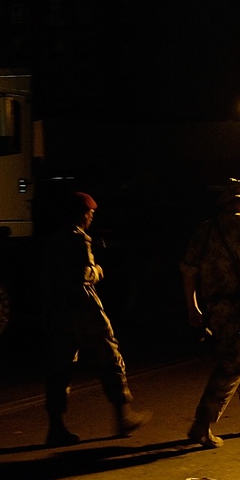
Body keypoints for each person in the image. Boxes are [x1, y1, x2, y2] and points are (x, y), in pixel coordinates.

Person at [41, 191, 152, 446]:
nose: (92, 217)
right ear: (83, 214)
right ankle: (123, 416)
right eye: (90, 213)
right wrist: (98, 271)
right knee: (110, 356)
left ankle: (56, 428)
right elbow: (84, 274)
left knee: (60, 367)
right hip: (83, 308)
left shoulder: (54, 239)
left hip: (58, 309)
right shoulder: (80, 239)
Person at [180, 178, 240, 448]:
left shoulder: (206, 229)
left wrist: (192, 305)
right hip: (236, 303)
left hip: (212, 306)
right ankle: (203, 423)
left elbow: (188, 269)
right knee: (233, 362)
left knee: (239, 356)